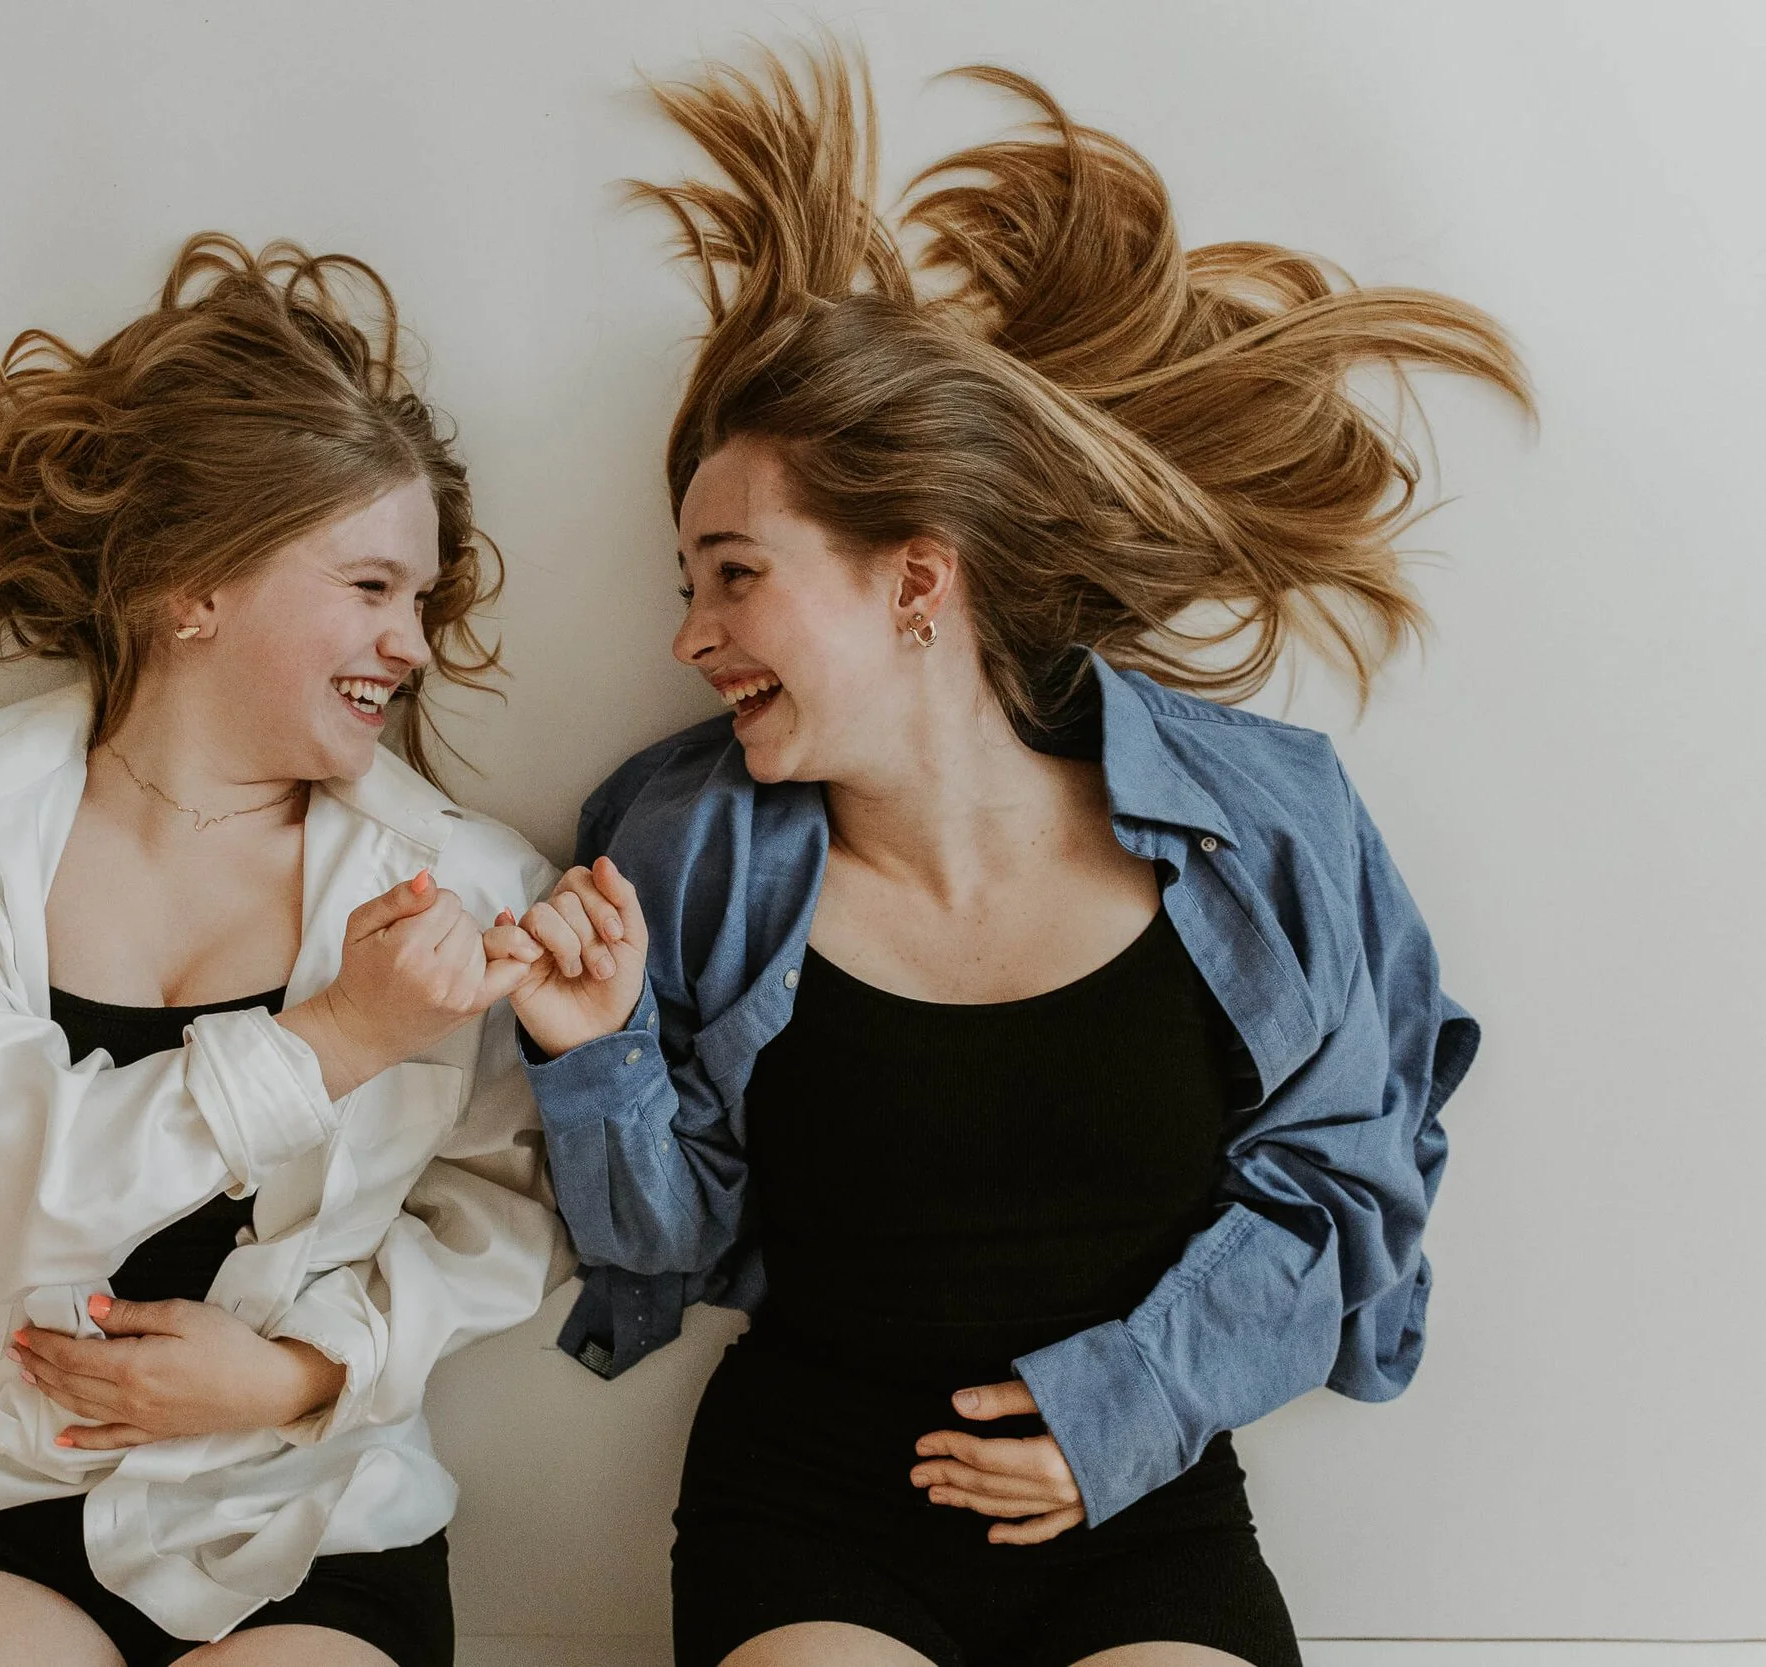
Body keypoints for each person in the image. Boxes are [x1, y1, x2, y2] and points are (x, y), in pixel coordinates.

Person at [498, 41, 1530, 1667]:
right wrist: (592, 1055)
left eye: (733, 573)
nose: (691, 633)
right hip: (812, 1504)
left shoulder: (1270, 822)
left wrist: (1119, 1409)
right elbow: (666, 1250)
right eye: (685, 584)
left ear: (919, 579)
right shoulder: (677, 843)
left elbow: (1349, 1185)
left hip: (1145, 1501)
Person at [0, 233, 569, 1667]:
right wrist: (333, 1041)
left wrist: (301, 1371)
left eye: (425, 599)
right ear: (196, 585)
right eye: (374, 587)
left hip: (313, 1502)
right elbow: (0, 1175)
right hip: (17, 1476)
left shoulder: (456, 879)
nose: (418, 643)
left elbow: (507, 1212)